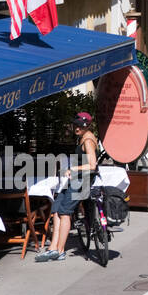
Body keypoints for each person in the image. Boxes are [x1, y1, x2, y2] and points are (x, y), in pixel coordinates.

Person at [37, 112, 100, 262]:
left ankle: (60, 250)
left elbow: (92, 165)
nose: (77, 127)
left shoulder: (88, 140)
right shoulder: (82, 138)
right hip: (76, 180)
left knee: (65, 212)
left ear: (87, 126)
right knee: (57, 209)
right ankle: (52, 248)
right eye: (76, 124)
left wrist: (74, 169)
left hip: (83, 181)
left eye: (80, 125)